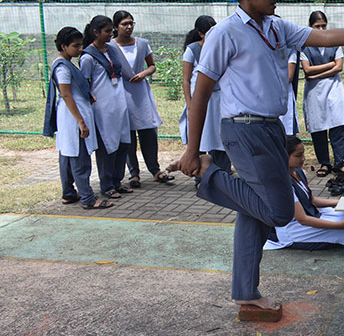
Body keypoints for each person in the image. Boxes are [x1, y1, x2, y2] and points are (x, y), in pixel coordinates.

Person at [171, 0, 344, 322]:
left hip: (272, 129)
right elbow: (201, 91)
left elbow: (328, 38)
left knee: (252, 213)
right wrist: (194, 149)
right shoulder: (225, 33)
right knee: (280, 212)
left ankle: (246, 294)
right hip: (244, 129)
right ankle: (209, 175)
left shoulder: (274, 27)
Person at [43, 27, 111, 210]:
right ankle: (88, 199)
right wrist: (81, 121)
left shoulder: (65, 63)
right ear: (64, 46)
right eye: (76, 46)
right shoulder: (63, 67)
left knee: (67, 155)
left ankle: (68, 193)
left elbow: (72, 92)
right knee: (80, 159)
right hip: (73, 118)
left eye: (81, 45)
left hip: (70, 116)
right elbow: (66, 95)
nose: (80, 49)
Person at [109, 10, 171, 187]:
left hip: (141, 93)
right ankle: (133, 174)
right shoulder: (111, 47)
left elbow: (152, 66)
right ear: (116, 27)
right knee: (128, 135)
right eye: (124, 24)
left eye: (131, 23)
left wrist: (144, 73)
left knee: (148, 132)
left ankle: (155, 170)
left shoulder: (142, 44)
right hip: (122, 93)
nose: (129, 27)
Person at [80, 15, 133, 199]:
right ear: (95, 32)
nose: (112, 34)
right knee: (107, 146)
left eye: (112, 30)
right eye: (108, 31)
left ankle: (117, 181)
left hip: (119, 103)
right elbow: (85, 84)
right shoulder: (87, 56)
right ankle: (107, 184)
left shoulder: (111, 49)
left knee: (123, 143)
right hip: (102, 107)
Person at [298, 11, 344, 178]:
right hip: (315, 92)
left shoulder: (334, 42)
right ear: (310, 27)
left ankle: (339, 162)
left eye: (323, 26)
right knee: (318, 127)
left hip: (334, 89)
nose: (321, 29)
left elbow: (339, 67)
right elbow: (307, 69)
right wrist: (329, 66)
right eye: (317, 26)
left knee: (338, 125)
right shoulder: (304, 45)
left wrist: (316, 74)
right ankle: (324, 162)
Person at [179, 16, 231, 181]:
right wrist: (189, 104)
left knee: (220, 137)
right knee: (201, 137)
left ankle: (222, 175)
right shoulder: (192, 50)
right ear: (200, 34)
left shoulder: (221, 48)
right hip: (201, 100)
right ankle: (200, 177)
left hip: (220, 99)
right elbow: (186, 80)